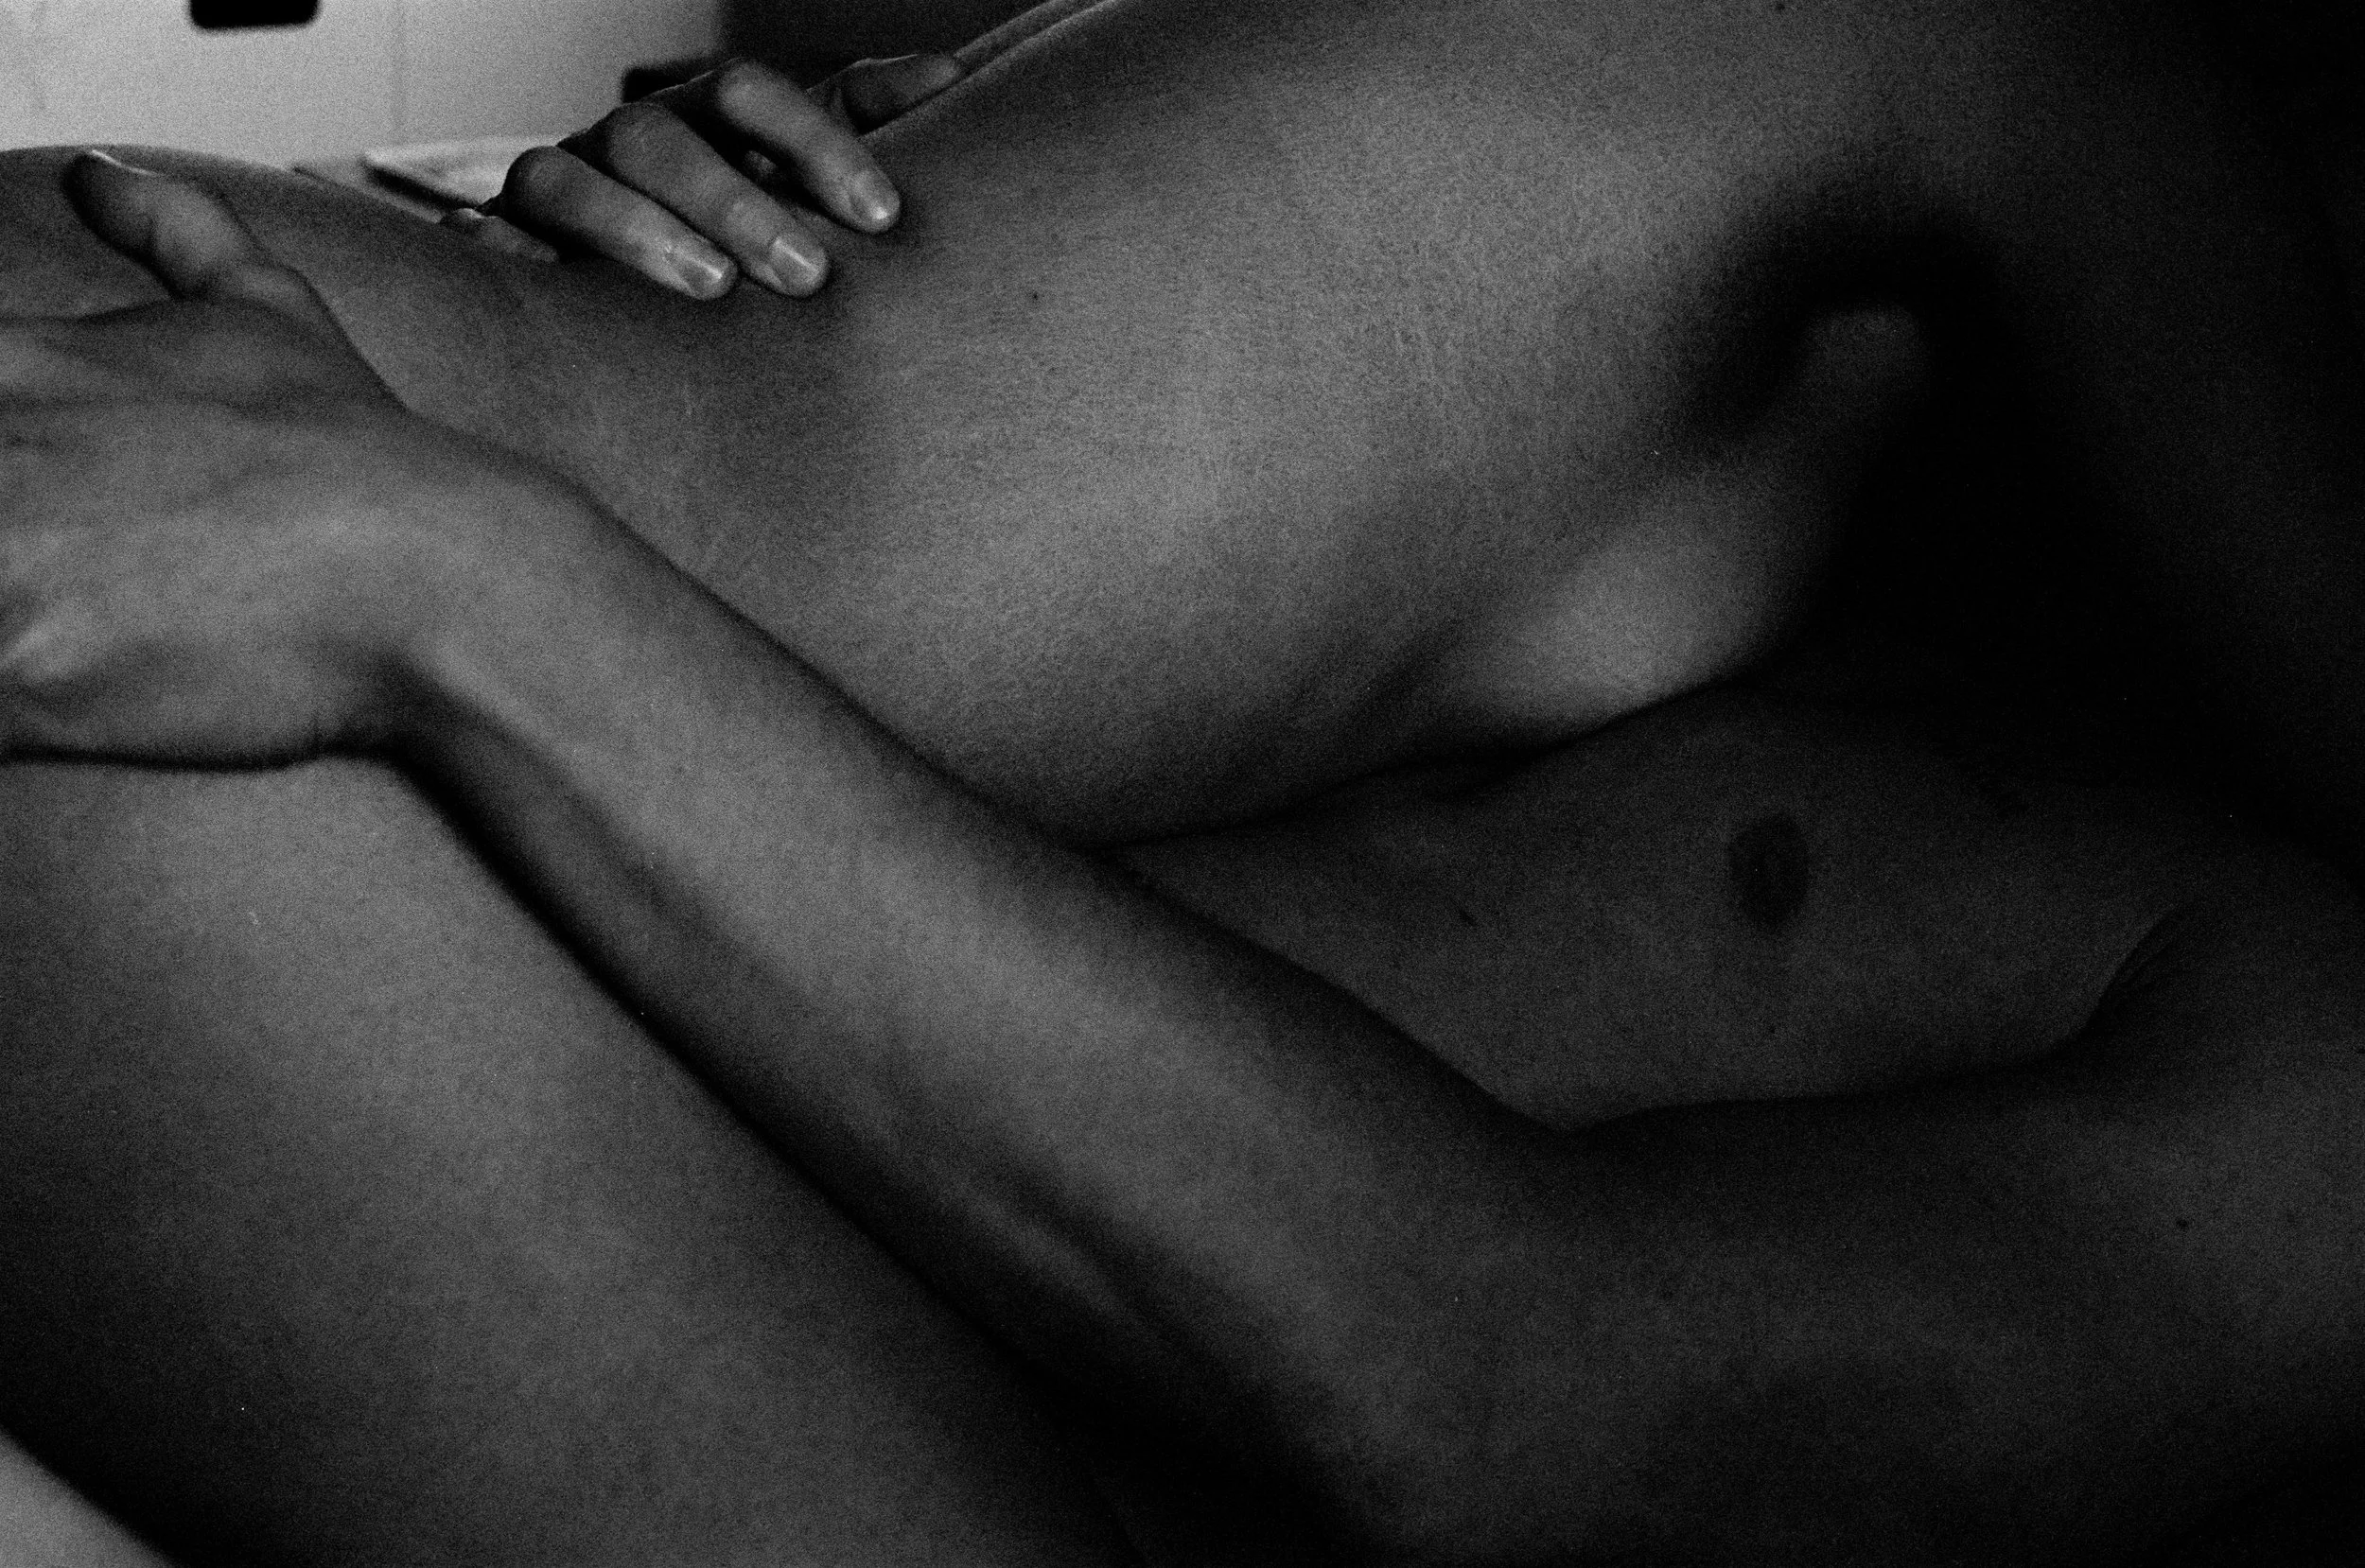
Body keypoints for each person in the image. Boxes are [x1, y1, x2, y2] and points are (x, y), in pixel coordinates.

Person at [1, 0, 2364, 1562]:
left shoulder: (2286, 1047)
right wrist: (706, 333)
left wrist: (476, 583)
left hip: (208, 613)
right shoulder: (1857, 148)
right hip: (170, 514)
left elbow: (1518, 1394)